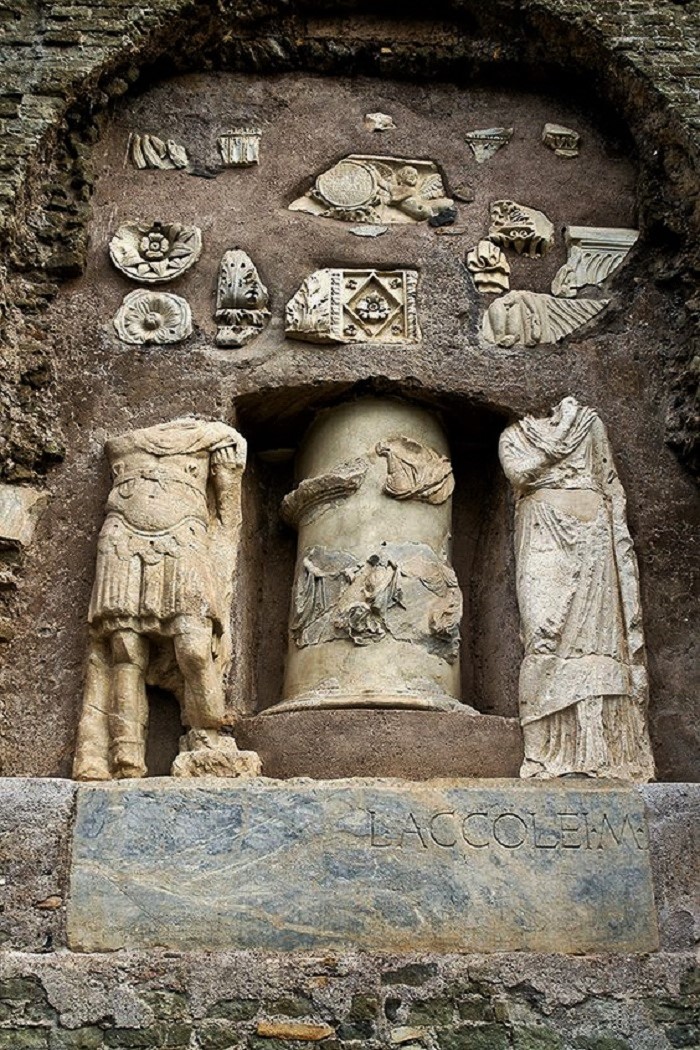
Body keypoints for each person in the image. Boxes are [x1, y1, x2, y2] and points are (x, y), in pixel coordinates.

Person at [73, 417, 246, 779]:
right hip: (122, 539)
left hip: (184, 538)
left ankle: (207, 731)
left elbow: (229, 518)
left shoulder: (219, 440)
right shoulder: (120, 446)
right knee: (124, 649)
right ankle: (125, 757)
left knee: (195, 647)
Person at [498, 396, 655, 781]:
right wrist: (554, 457)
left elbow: (608, 481)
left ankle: (607, 751)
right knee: (543, 633)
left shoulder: (589, 423)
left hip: (594, 538)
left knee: (602, 640)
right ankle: (547, 747)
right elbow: (519, 475)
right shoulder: (513, 435)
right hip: (541, 530)